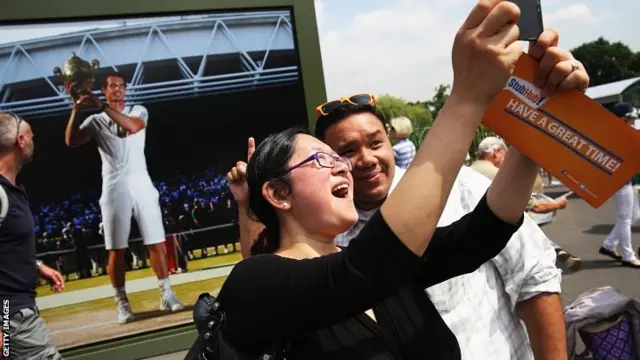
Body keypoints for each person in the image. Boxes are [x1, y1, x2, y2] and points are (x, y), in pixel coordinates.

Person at [217, 2, 564, 358]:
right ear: (278, 193)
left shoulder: (389, 268)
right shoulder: (254, 285)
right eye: (325, 158)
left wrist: (536, 122)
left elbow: (484, 230)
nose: (345, 167)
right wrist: (466, 98)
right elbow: (368, 267)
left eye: (340, 159)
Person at [63, 73, 184, 324]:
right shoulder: (96, 121)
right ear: (104, 90)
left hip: (141, 182)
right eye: (111, 86)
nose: (117, 90)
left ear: (125, 90)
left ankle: (167, 294)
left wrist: (101, 107)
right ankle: (122, 303)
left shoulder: (138, 110)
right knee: (116, 249)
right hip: (113, 186)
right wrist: (76, 108)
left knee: (157, 243)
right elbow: (71, 141)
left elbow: (132, 127)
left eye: (120, 86)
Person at [0, 112, 65, 359]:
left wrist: (36, 265)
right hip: (10, 315)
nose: (33, 139)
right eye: (30, 135)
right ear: (20, 140)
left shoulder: (12, 191)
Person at [471, 135, 583, 270]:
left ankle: (557, 250)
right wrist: (557, 204)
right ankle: (554, 255)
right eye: (505, 155)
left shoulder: (468, 171)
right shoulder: (498, 176)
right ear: (496, 153)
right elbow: (535, 206)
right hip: (496, 230)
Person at [598, 102, 640, 268]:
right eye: (630, 119)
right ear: (622, 119)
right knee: (625, 219)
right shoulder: (617, 135)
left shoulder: (619, 133)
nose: (632, 122)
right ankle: (628, 255)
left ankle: (609, 245)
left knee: (634, 215)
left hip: (626, 180)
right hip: (620, 180)